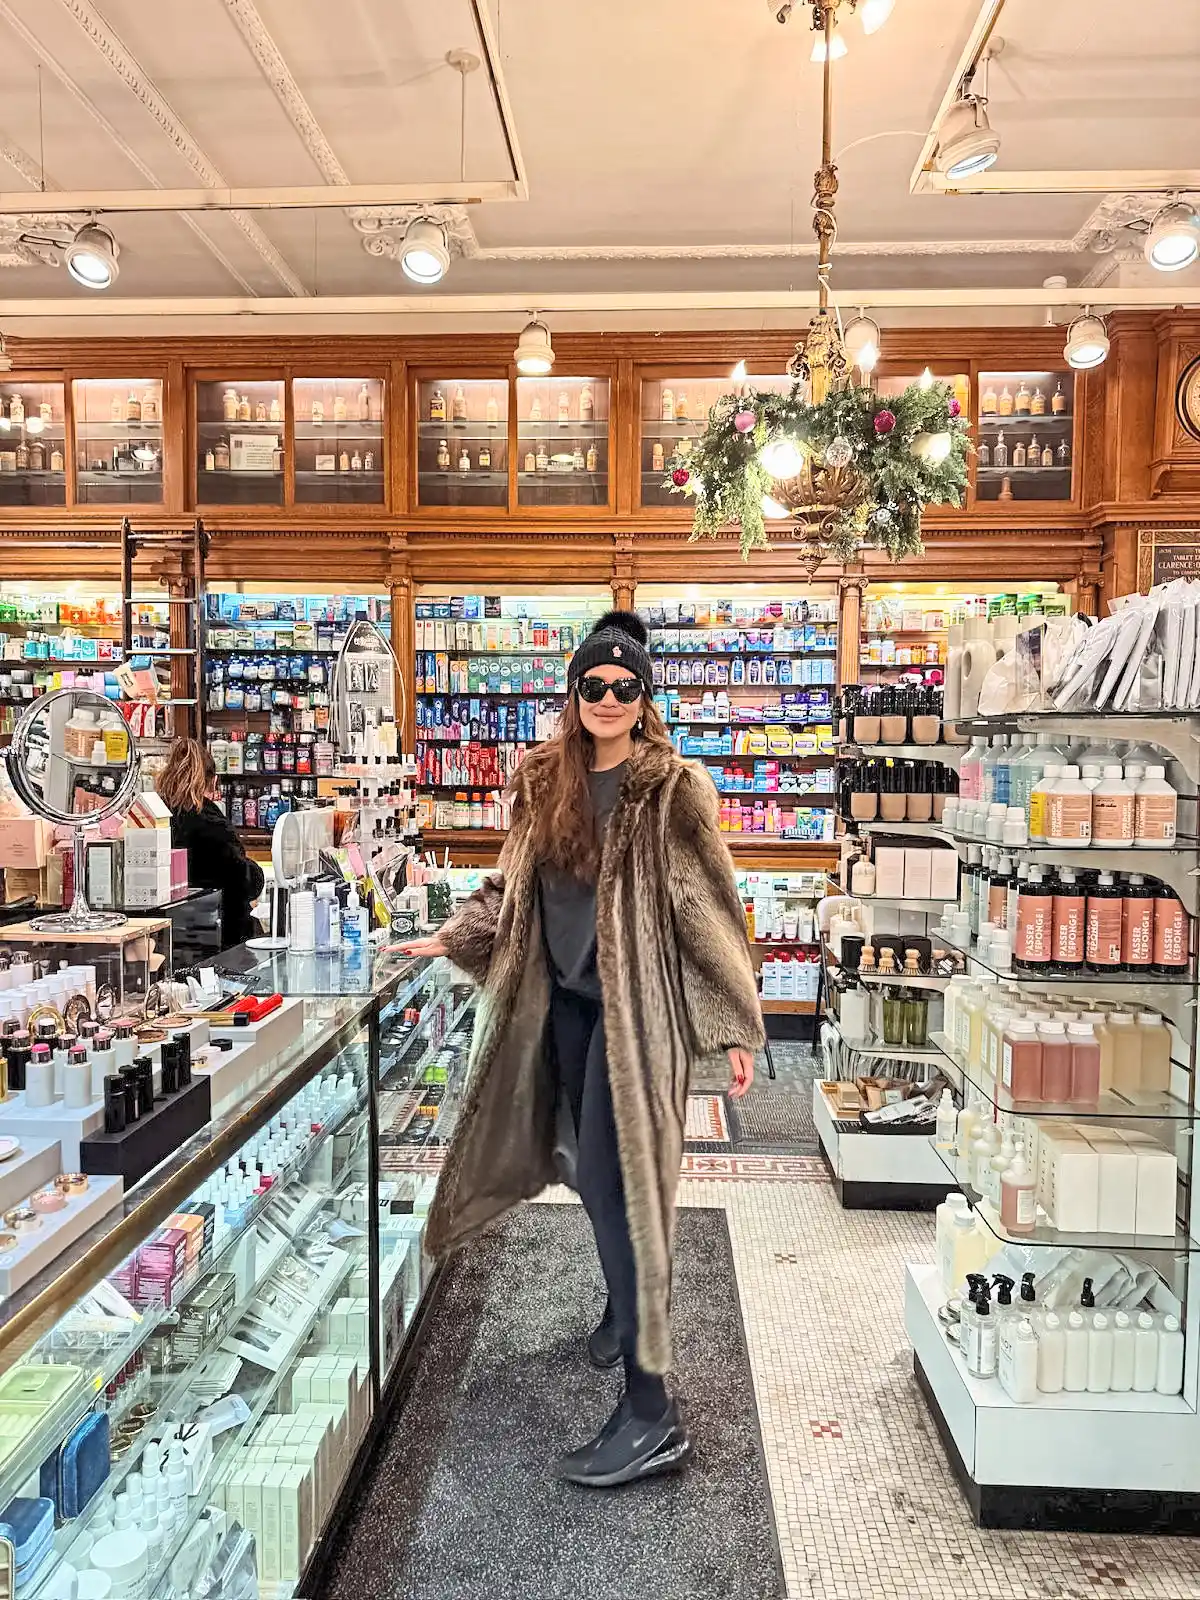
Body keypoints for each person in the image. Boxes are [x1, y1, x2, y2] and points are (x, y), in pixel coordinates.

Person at [402, 610, 763, 1488]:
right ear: (574, 692)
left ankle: (651, 1410)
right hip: (560, 1005)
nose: (608, 698)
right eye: (594, 684)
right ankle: (621, 1310)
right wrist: (456, 935)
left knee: (622, 1187)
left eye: (624, 686)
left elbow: (707, 908)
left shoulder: (670, 789)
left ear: (644, 698)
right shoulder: (543, 779)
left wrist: (733, 1020)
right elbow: (511, 885)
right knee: (585, 1169)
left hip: (634, 1017)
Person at [157, 737, 264, 950]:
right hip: (217, 939)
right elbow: (243, 881)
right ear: (213, 781)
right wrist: (255, 871)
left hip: (168, 937)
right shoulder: (211, 824)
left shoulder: (155, 815)